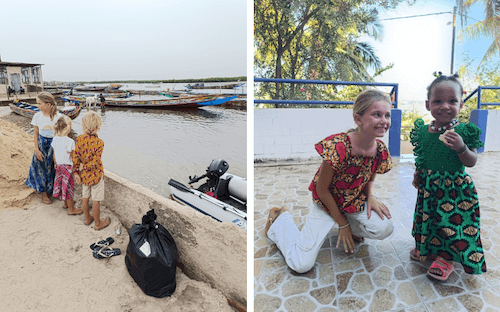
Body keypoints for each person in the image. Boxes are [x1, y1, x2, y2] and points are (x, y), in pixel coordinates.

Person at [264, 89, 394, 273]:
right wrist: (342, 223)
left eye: (387, 115)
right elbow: (322, 189)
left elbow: (370, 178)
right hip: (326, 203)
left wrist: (370, 196)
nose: (384, 120)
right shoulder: (338, 146)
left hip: (353, 202)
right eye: (376, 114)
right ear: (358, 119)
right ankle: (279, 220)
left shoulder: (380, 150)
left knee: (385, 227)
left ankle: (353, 229)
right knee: (301, 264)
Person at [410, 72, 486, 281]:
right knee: (429, 219)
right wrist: (418, 174)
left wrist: (461, 148)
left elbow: (471, 161)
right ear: (428, 105)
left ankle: (446, 257)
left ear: (461, 104)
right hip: (429, 186)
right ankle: (426, 247)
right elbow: (422, 157)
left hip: (454, 190)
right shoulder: (424, 132)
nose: (445, 106)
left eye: (452, 101)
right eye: (438, 101)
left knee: (449, 222)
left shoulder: (463, 131)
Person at [73, 111, 110, 230]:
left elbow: (76, 156)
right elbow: (95, 161)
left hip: (83, 176)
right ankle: (98, 224)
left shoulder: (79, 139)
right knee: (96, 200)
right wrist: (87, 166)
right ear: (97, 127)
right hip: (96, 176)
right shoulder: (99, 143)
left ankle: (88, 218)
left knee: (85, 197)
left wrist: (76, 172)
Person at [26, 92, 62, 204]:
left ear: (48, 104)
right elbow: (36, 134)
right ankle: (44, 193)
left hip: (54, 144)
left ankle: (54, 190)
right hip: (42, 144)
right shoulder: (37, 116)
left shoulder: (59, 117)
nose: (38, 106)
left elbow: (60, 135)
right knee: (41, 168)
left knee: (54, 168)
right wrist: (36, 149)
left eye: (40, 103)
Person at [51, 115, 83, 215]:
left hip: (59, 166)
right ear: (69, 128)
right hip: (68, 168)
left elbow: (54, 153)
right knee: (69, 188)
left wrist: (56, 163)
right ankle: (71, 209)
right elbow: (74, 156)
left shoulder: (55, 139)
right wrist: (78, 167)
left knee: (62, 185)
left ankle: (66, 204)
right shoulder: (70, 141)